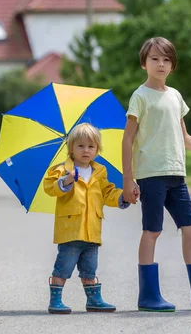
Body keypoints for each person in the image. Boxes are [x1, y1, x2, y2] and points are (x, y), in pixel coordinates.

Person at [122, 37, 191, 312]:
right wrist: (128, 179)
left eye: (166, 59)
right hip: (151, 175)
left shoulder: (175, 96)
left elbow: (184, 137)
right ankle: (148, 296)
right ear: (144, 63)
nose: (161, 64)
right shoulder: (140, 96)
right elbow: (127, 140)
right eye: (154, 59)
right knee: (152, 231)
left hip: (176, 174)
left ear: (173, 65)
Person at [43, 123, 136, 314]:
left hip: (92, 230)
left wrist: (122, 197)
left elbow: (107, 192)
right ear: (71, 149)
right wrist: (65, 181)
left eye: (91, 146)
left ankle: (94, 299)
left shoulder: (99, 171)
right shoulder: (62, 170)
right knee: (63, 267)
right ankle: (56, 300)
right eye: (81, 146)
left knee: (90, 269)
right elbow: (50, 187)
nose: (86, 150)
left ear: (97, 150)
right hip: (71, 230)